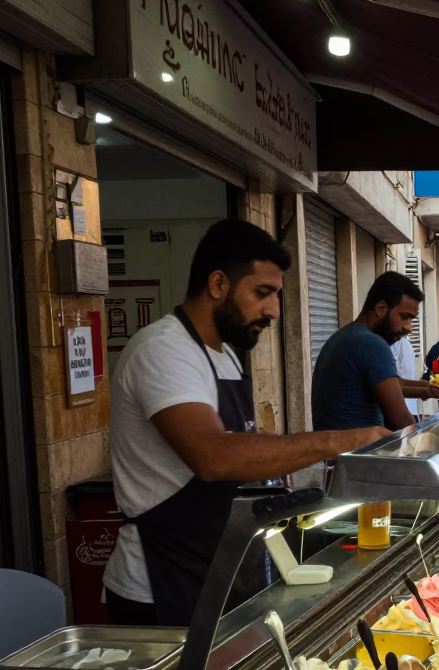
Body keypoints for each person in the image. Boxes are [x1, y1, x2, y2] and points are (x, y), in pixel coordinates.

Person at [103, 220, 387, 627]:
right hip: (160, 586)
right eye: (262, 293)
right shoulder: (163, 350)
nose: (273, 310)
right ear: (218, 284)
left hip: (216, 569)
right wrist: (344, 440)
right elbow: (214, 456)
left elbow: (243, 450)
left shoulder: (226, 355)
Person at [312, 272, 439, 431]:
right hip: (359, 452)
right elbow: (400, 420)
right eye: (404, 316)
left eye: (412, 319)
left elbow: (391, 385)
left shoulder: (344, 336)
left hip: (336, 453)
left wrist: (425, 390)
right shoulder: (371, 344)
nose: (408, 327)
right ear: (381, 308)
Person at [392, 335, 419, 419]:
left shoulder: (402, 343)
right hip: (403, 408)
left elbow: (407, 377)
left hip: (404, 408)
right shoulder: (402, 343)